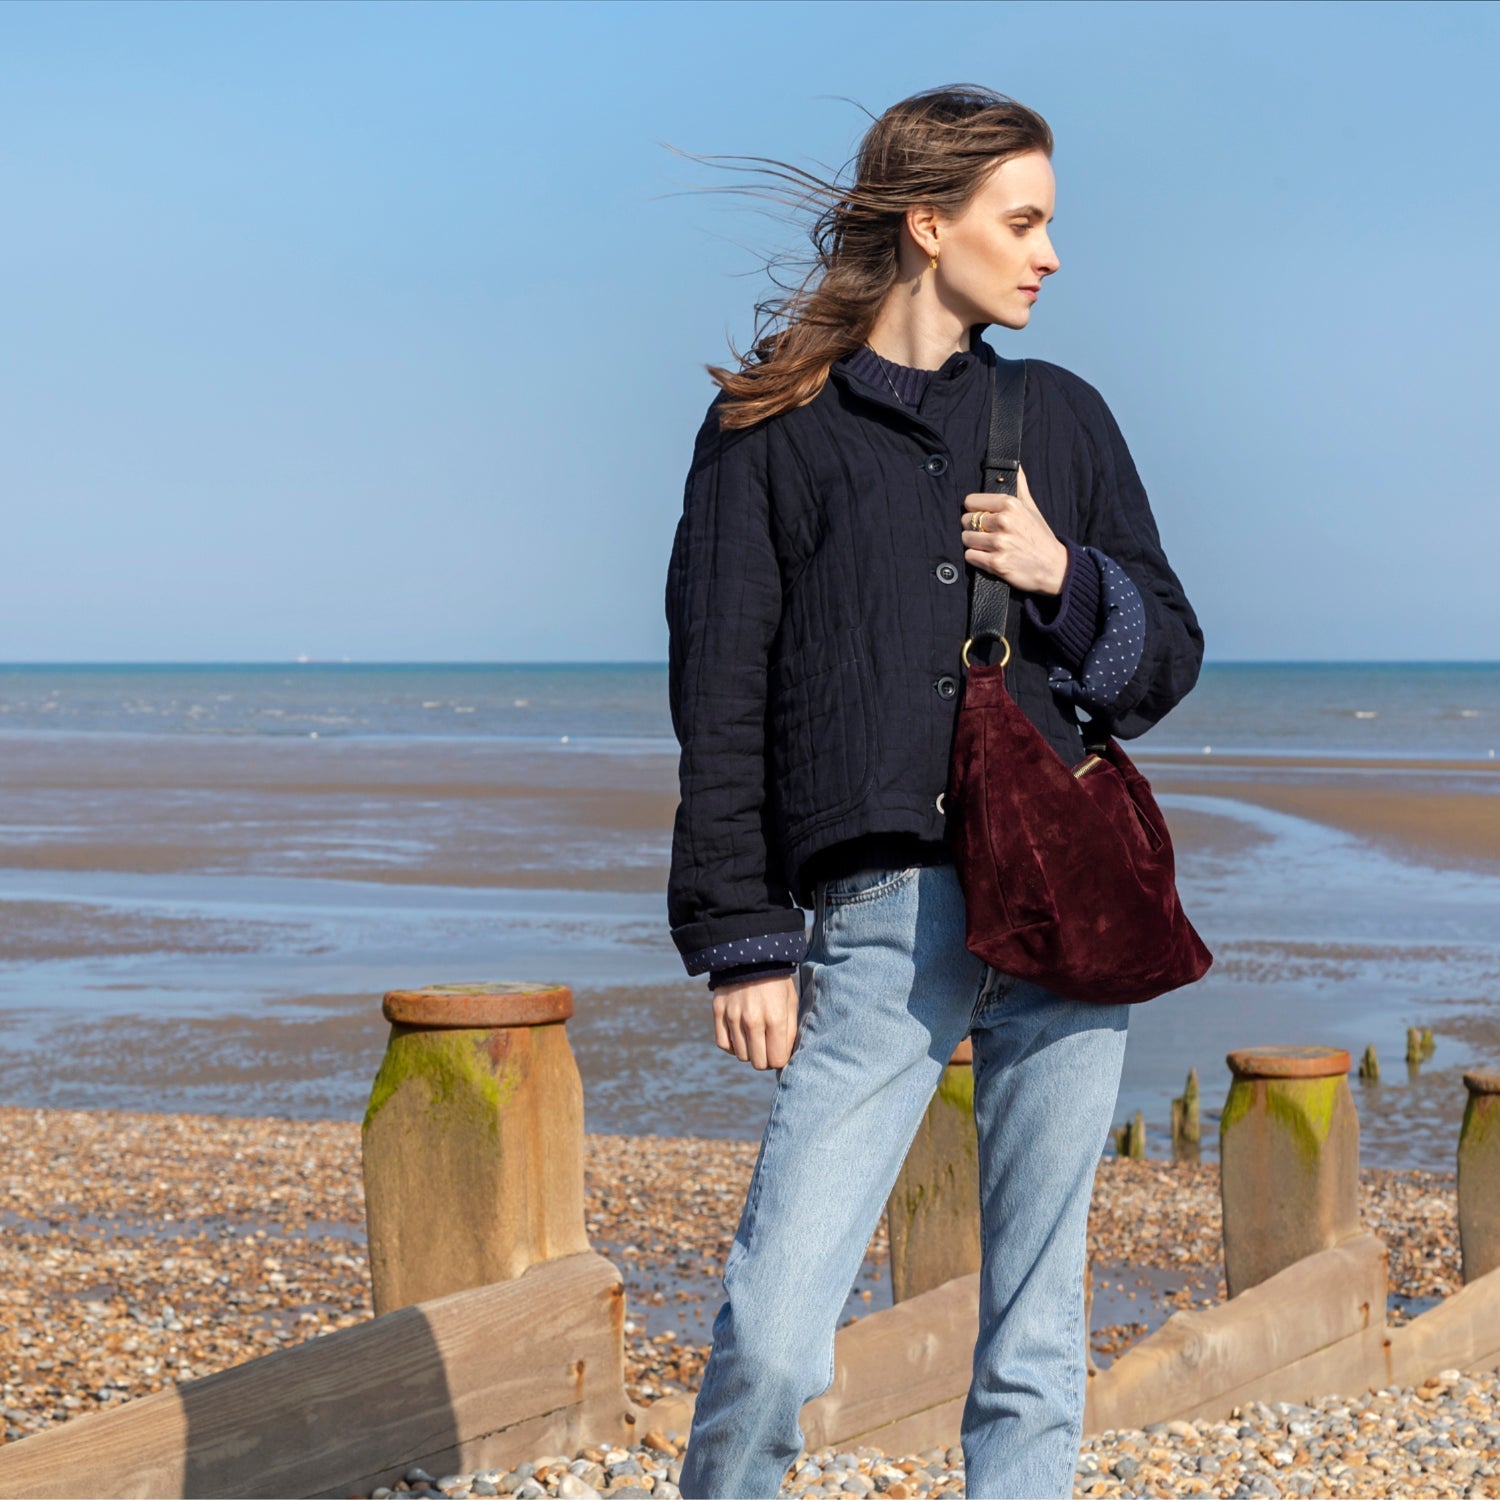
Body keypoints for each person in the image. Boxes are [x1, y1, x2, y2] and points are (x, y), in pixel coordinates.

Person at [663, 84, 1203, 1499]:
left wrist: (1062, 577)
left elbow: (1169, 656)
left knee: (1035, 1334)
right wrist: (740, 932)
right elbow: (720, 698)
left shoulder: (1062, 417)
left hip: (1067, 910)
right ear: (926, 224)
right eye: (1022, 222)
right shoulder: (766, 433)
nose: (1050, 255)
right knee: (779, 1330)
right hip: (880, 916)